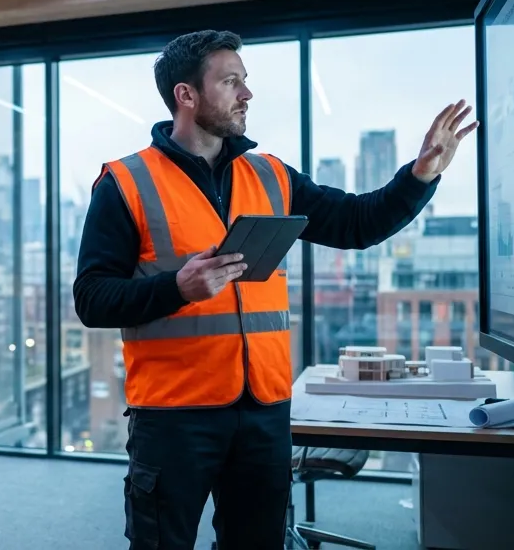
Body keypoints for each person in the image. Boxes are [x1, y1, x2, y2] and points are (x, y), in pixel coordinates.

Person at [73, 29, 476, 549]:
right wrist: (178, 287)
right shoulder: (125, 182)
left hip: (262, 412)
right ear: (186, 95)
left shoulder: (271, 174)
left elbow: (356, 223)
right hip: (174, 417)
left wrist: (420, 175)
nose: (247, 94)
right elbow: (92, 298)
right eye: (232, 81)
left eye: (246, 81)